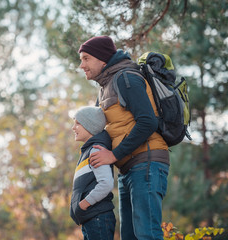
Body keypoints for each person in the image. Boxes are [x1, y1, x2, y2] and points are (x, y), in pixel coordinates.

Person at [78, 36, 170, 240]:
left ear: (102, 59)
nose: (81, 65)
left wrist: (113, 155)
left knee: (148, 235)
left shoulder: (126, 78)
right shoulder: (104, 87)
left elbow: (147, 121)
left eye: (86, 58)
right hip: (127, 167)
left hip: (146, 163)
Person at [70, 106, 116, 240]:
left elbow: (106, 184)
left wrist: (84, 204)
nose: (73, 127)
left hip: (98, 218)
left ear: (90, 126)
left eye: (78, 123)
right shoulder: (87, 151)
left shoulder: (95, 151)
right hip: (91, 218)